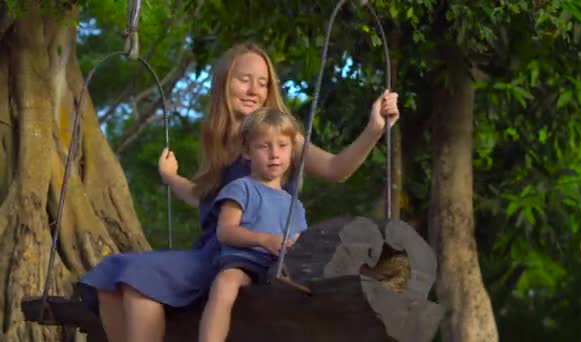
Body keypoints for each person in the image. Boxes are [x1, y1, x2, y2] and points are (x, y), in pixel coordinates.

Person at [79, 42, 399, 342]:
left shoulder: (278, 137)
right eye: (244, 79)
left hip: (240, 255)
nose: (253, 90)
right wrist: (171, 178)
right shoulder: (223, 142)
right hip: (210, 249)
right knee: (109, 277)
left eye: (262, 83)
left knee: (137, 279)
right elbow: (204, 198)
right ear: (223, 84)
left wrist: (374, 129)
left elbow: (335, 169)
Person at [199, 107, 307, 342]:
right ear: (247, 151)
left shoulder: (295, 205)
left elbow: (301, 242)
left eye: (282, 145)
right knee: (225, 283)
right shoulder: (241, 188)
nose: (274, 154)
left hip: (279, 269)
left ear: (292, 151)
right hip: (244, 264)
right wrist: (263, 239)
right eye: (264, 146)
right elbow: (225, 232)